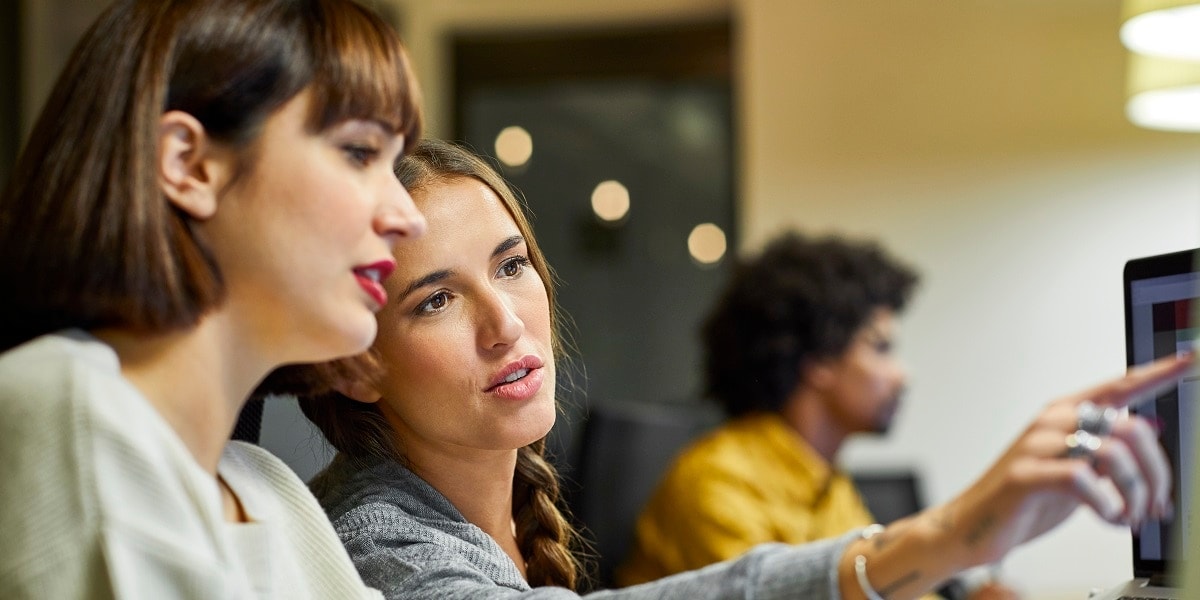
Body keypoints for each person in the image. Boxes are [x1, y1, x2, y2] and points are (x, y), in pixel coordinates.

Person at [265, 138, 1194, 600]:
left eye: (512, 266)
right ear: (354, 360)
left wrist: (954, 541)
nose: (506, 322)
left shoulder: (492, 522)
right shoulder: (386, 549)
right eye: (435, 300)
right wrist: (948, 532)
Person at [0, 1, 425, 597]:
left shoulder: (268, 491)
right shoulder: (68, 409)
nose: (408, 217)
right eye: (359, 152)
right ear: (190, 164)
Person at [618, 233, 1006, 598]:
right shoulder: (715, 482)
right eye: (881, 348)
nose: (902, 374)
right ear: (820, 358)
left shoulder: (827, 482)